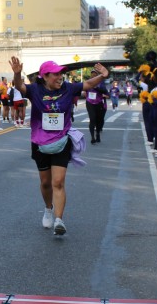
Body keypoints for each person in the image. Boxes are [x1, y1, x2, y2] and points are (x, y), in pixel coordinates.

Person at [10, 57, 110, 236]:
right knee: (45, 183)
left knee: (58, 182)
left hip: (62, 140)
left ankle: (59, 220)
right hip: (39, 142)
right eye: (56, 74)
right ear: (45, 76)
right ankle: (48, 209)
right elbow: (19, 86)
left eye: (61, 74)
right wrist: (17, 74)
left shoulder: (68, 88)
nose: (60, 77)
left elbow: (88, 84)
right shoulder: (35, 90)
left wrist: (102, 76)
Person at [85, 69, 109, 144]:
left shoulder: (100, 82)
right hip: (89, 102)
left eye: (95, 73)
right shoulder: (88, 82)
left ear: (97, 75)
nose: (93, 75)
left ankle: (98, 133)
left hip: (98, 103)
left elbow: (105, 91)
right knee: (92, 119)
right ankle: (92, 137)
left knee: (99, 120)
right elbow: (83, 89)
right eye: (92, 73)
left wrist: (96, 87)